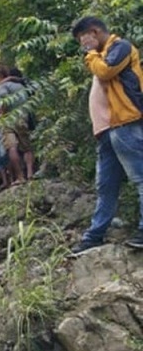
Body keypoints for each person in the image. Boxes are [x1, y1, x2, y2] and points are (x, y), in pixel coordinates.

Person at [70, 16, 143, 253]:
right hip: (107, 131)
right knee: (105, 186)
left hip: (125, 124)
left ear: (93, 31)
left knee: (140, 178)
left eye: (83, 39)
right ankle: (94, 236)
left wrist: (91, 53)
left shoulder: (120, 47)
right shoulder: (102, 54)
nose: (83, 45)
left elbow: (106, 71)